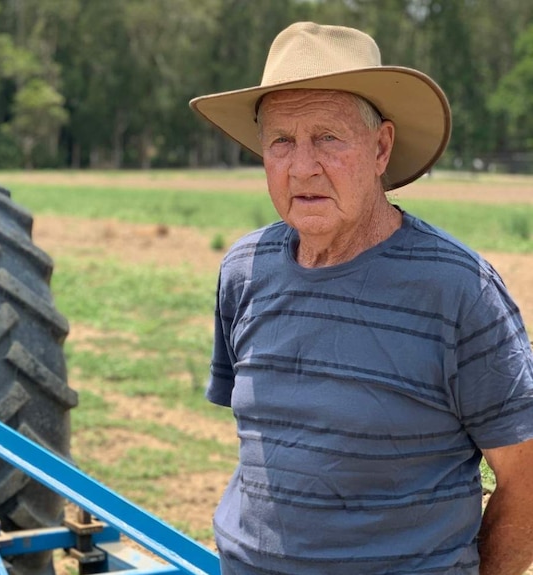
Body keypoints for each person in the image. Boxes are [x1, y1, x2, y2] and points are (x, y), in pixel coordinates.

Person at [189, 22, 533, 575]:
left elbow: (527, 480)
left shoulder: (457, 289)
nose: (302, 166)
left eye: (327, 137)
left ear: (381, 147)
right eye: (281, 141)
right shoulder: (244, 271)